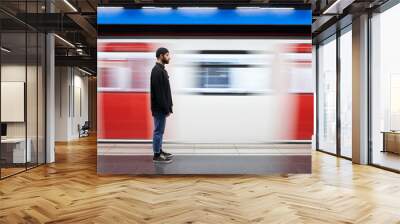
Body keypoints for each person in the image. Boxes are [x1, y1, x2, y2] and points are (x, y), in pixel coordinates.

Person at [150, 47, 174, 163]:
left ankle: (159, 150)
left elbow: (166, 91)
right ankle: (156, 155)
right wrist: (166, 108)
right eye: (167, 55)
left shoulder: (161, 70)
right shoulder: (157, 71)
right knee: (158, 131)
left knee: (160, 131)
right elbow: (159, 94)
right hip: (159, 108)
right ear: (161, 56)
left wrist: (169, 106)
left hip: (162, 107)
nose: (169, 57)